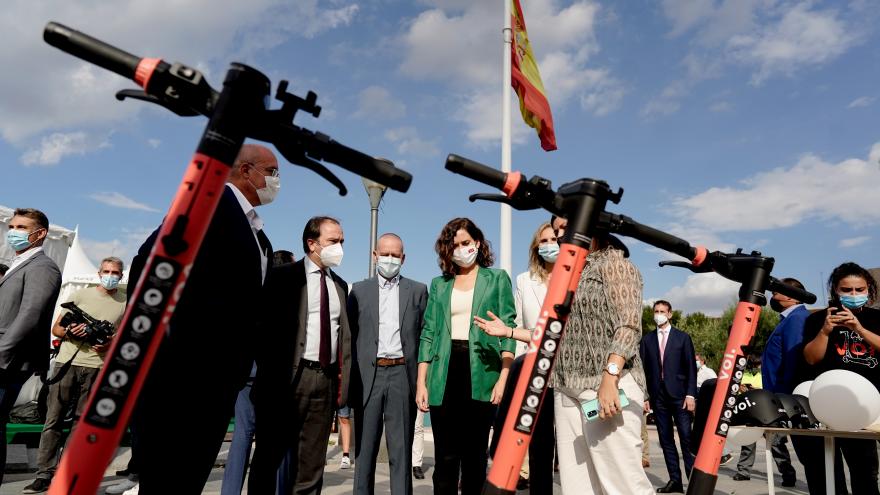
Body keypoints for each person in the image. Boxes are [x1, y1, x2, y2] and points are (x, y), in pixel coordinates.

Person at [127, 144, 277, 494]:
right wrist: (176, 351)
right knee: (168, 478)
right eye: (271, 172)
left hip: (218, 381)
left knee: (188, 479)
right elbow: (148, 267)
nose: (275, 181)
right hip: (182, 378)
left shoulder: (259, 235)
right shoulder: (207, 206)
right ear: (246, 171)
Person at [248, 216, 352, 495]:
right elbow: (260, 329)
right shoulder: (283, 278)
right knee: (268, 459)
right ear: (312, 243)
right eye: (333, 241)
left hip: (324, 382)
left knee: (311, 463)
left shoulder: (340, 286)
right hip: (285, 381)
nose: (340, 247)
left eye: (342, 241)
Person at [416, 217, 516, 495]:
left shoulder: (496, 279)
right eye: (454, 245)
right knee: (445, 459)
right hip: (443, 372)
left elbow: (508, 331)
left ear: (478, 243)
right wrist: (421, 382)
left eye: (465, 243)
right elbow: (428, 333)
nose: (461, 249)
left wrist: (503, 378)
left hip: (482, 371)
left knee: (474, 458)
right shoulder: (440, 284)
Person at [551, 233, 653, 495]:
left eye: (565, 229)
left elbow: (629, 325)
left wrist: (610, 376)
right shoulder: (568, 275)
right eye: (556, 233)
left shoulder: (614, 264)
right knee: (578, 487)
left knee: (622, 484)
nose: (559, 238)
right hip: (566, 388)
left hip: (604, 385)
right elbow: (564, 331)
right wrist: (511, 332)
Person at [23, 257, 127, 494]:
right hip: (66, 363)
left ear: (121, 276)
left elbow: (122, 336)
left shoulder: (124, 302)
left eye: (115, 272)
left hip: (97, 367)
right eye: (106, 271)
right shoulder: (81, 296)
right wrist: (71, 331)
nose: (110, 275)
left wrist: (108, 344)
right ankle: (43, 474)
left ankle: (66, 472)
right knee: (53, 420)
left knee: (81, 424)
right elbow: (56, 328)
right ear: (98, 273)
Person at [475, 221, 557, 494]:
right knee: (539, 444)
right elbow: (519, 326)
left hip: (570, 372)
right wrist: (513, 374)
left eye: (553, 239)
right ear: (536, 248)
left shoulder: (578, 278)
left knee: (570, 448)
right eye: (543, 241)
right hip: (536, 370)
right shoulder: (524, 280)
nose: (549, 245)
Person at [349, 233, 428, 494]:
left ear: (403, 258)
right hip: (368, 377)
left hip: (402, 376)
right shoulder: (358, 291)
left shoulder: (417, 290)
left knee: (401, 453)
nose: (390, 259)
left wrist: (421, 383)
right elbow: (350, 337)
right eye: (385, 253)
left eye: (395, 255)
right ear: (375, 255)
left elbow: (425, 336)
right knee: (364, 452)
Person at [800, 262, 880, 495]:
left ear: (869, 290)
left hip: (866, 404)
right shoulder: (817, 320)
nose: (853, 295)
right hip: (830, 403)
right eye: (847, 290)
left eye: (859, 290)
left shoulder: (876, 318)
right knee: (827, 472)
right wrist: (824, 331)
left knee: (865, 470)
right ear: (835, 290)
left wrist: (860, 330)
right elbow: (811, 359)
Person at [0, 208, 61, 486]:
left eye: (22, 227)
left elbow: (30, 315)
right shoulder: (18, 263)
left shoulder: (42, 267)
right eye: (12, 226)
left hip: (9, 361)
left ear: (40, 233)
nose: (14, 231)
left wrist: (1, 353)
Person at [639, 300, 697, 493]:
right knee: (665, 440)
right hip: (658, 396)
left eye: (662, 311)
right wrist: (645, 396)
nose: (659, 314)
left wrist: (690, 394)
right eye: (656, 311)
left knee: (686, 438)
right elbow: (644, 371)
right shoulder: (647, 340)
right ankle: (675, 481)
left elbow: (691, 369)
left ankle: (694, 482)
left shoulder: (682, 338)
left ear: (670, 314)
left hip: (680, 396)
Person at [759, 277, 810, 488]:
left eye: (776, 292)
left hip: (788, 396)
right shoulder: (787, 319)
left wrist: (787, 398)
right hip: (782, 395)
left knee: (809, 453)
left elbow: (793, 357)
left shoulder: (796, 318)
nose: (773, 296)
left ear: (790, 295)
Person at [411, 410, 425, 480]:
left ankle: (417, 465)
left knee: (418, 428)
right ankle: (400, 461)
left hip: (417, 400)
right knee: (400, 427)